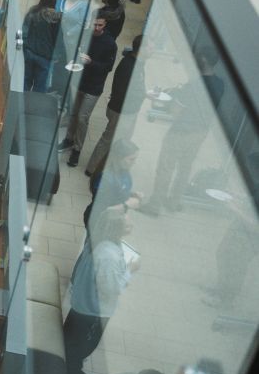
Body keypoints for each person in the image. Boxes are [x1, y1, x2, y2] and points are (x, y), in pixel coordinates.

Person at [140, 47, 224, 214]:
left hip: (182, 131)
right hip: (200, 132)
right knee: (185, 167)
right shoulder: (220, 84)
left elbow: (175, 111)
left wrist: (172, 99)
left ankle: (155, 205)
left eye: (199, 57)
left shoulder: (194, 85)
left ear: (205, 60)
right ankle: (174, 201)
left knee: (166, 167)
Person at [63, 206, 135, 374]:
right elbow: (111, 289)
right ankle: (72, 372)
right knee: (87, 341)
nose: (131, 225)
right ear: (116, 229)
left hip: (81, 302)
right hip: (94, 309)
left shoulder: (97, 241)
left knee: (72, 335)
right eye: (127, 224)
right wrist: (130, 270)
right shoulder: (108, 256)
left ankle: (68, 357)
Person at [58, 13, 118, 168]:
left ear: (105, 25)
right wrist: (74, 59)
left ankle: (77, 150)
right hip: (80, 81)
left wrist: (91, 62)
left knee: (83, 118)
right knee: (73, 113)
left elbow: (108, 67)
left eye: (100, 25)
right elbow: (77, 51)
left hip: (94, 86)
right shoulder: (85, 36)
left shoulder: (110, 43)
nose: (97, 28)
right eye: (95, 25)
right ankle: (69, 139)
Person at [85, 36, 146, 178]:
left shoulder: (137, 63)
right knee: (108, 139)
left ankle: (106, 167)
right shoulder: (129, 66)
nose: (152, 50)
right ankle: (93, 169)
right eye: (150, 47)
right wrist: (144, 94)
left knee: (117, 139)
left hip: (126, 110)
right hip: (121, 110)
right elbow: (123, 90)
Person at [83, 140, 142, 229]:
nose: (134, 162)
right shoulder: (105, 178)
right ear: (119, 158)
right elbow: (104, 208)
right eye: (131, 159)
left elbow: (116, 193)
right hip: (98, 222)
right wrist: (127, 205)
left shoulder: (124, 172)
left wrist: (131, 194)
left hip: (112, 221)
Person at [22, 0, 61, 93]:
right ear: (54, 1)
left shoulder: (33, 12)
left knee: (25, 82)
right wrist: (57, 56)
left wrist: (24, 48)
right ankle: (33, 107)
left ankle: (20, 104)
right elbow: (57, 40)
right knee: (40, 87)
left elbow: (24, 31)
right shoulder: (56, 18)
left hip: (29, 53)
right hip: (45, 57)